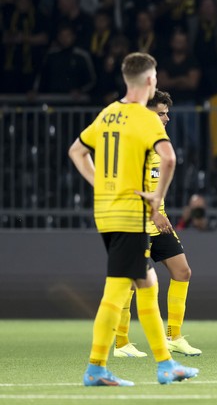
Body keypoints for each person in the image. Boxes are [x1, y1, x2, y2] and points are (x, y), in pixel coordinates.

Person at [68, 52, 198, 386]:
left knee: (147, 284)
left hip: (106, 212)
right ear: (150, 80)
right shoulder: (145, 119)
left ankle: (166, 363)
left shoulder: (108, 114)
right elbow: (168, 159)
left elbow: (76, 151)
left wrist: (101, 183)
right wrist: (157, 198)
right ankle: (96, 367)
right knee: (116, 291)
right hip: (131, 214)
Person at [113, 90, 201, 359]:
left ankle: (174, 337)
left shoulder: (159, 142)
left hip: (157, 220)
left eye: (166, 112)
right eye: (161, 113)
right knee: (130, 282)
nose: (167, 118)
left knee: (182, 272)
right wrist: (154, 212)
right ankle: (121, 343)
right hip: (135, 221)